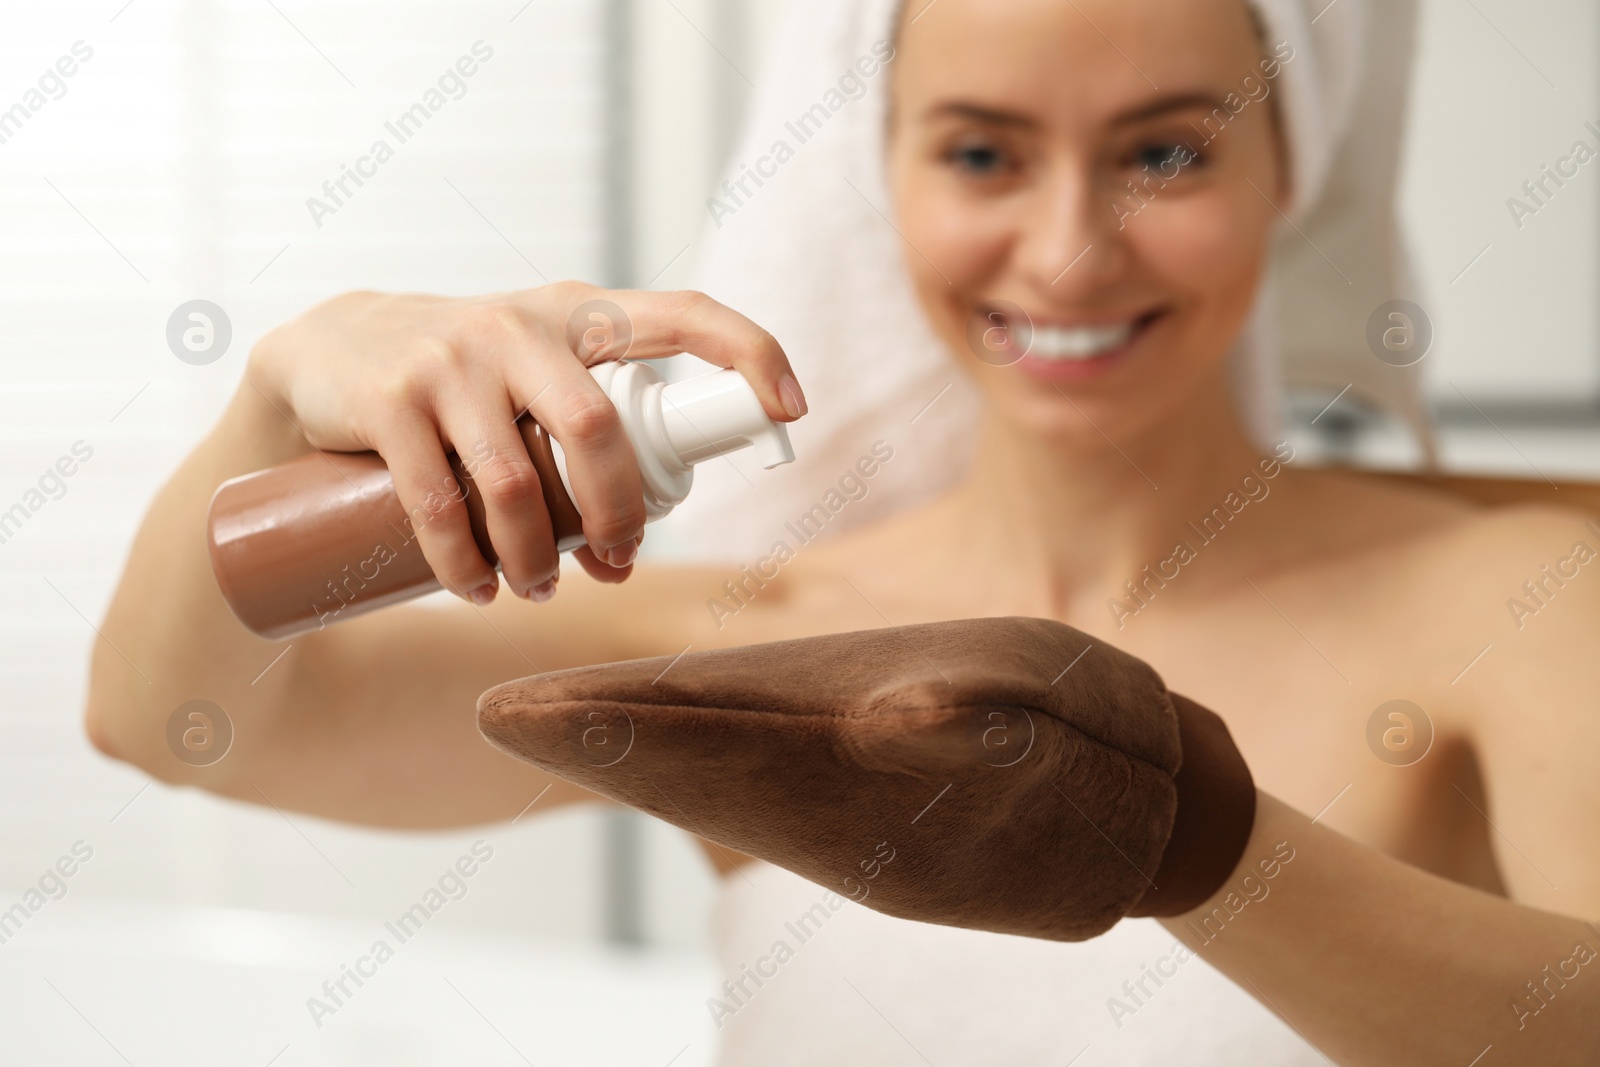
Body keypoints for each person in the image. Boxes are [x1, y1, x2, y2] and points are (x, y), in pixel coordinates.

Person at [86, 0, 1600, 1063]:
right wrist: (283, 392)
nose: (1069, 250)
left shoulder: (1520, 597)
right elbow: (177, 722)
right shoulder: (760, 650)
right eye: (982, 154)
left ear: (1291, 170)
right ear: (882, 174)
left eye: (1165, 153)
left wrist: (1193, 840)